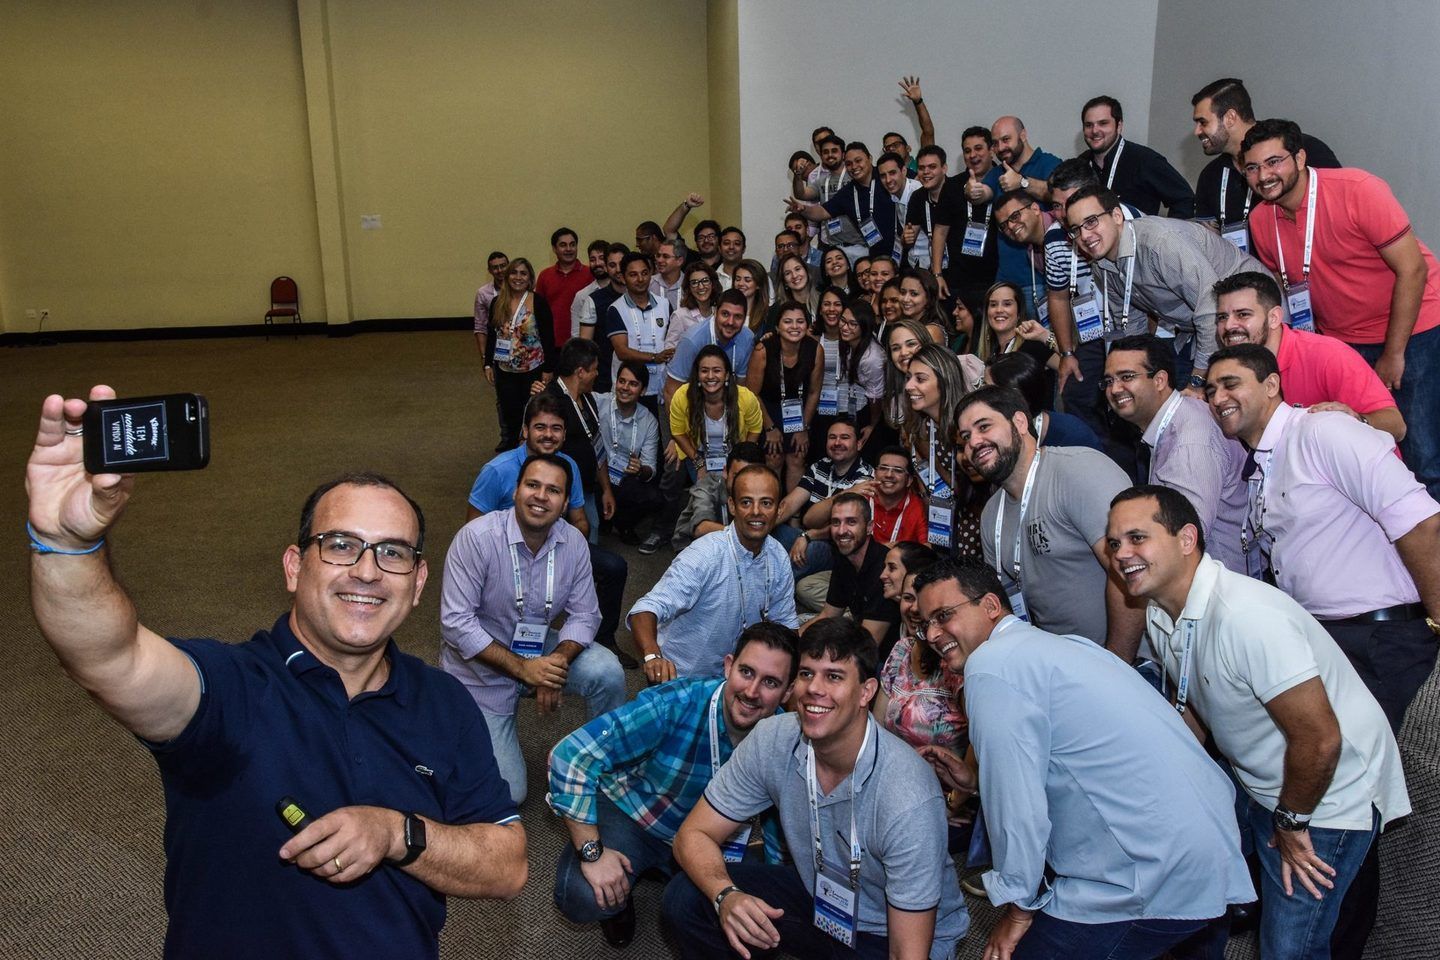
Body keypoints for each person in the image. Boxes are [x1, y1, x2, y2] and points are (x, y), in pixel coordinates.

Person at [27, 390, 529, 957]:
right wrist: (66, 543)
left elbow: (507, 866)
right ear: (295, 567)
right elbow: (105, 655)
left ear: (416, 584)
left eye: (392, 553)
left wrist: (396, 833)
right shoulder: (227, 688)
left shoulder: (444, 701)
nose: (367, 571)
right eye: (340, 545)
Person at [1108, 485, 1410, 960]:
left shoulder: (1247, 617)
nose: (1122, 554)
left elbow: (1320, 739)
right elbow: (1194, 705)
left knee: (1290, 949)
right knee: (1189, 883)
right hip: (1258, 779)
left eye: (1137, 538)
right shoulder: (1160, 612)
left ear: (1187, 539)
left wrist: (1289, 824)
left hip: (1326, 796)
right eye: (1114, 543)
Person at [913, 559, 1253, 960]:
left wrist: (1019, 908)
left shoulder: (992, 665)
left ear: (990, 605)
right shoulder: (1063, 647)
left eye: (943, 616)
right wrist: (974, 784)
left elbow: (1019, 811)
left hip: (1148, 867)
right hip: (1210, 846)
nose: (933, 634)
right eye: (924, 624)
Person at [663, 618, 970, 960]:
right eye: (807, 674)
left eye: (834, 676)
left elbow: (908, 954)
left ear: (866, 692)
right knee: (686, 897)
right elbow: (692, 835)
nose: (814, 688)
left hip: (888, 933)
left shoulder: (907, 795)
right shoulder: (773, 738)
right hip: (820, 901)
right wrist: (726, 896)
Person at [1203, 344, 1440, 731]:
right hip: (1330, 641)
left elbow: (1421, 523)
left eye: (1231, 384)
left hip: (1384, 641)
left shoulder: (1321, 431)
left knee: (1410, 777)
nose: (1218, 398)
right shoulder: (1263, 463)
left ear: (1271, 385)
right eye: (1211, 391)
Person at [547, 623, 798, 948]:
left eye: (770, 682)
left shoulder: (785, 739)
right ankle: (620, 899)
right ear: (728, 665)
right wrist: (593, 855)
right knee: (580, 894)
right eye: (746, 672)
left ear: (788, 692)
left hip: (712, 838)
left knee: (757, 905)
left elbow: (779, 815)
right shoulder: (675, 703)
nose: (751, 691)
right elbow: (569, 756)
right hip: (637, 817)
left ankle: (657, 874)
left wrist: (775, 878)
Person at [1241, 118, 1440, 500]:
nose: (1264, 175)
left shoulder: (1357, 189)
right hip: (1343, 344)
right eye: (1253, 167)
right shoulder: (1261, 220)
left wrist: (1393, 352)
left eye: (1274, 162)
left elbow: (1413, 269)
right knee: (1358, 454)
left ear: (1300, 158)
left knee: (1423, 455)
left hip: (1413, 333)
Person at [441, 454, 625, 807]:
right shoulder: (476, 538)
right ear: (515, 491)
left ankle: (597, 761)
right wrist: (525, 670)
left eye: (553, 490)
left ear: (565, 502)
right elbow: (456, 624)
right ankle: (448, 724)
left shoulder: (572, 543)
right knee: (509, 792)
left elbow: (585, 614)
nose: (541, 496)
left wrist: (554, 665)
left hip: (539, 653)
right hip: (480, 672)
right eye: (533, 485)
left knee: (607, 671)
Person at [957, 385, 1144, 656]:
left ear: (1020, 422)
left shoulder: (1078, 470)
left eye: (984, 427)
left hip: (1127, 660)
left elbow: (1130, 571)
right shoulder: (990, 515)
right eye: (965, 436)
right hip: (1059, 668)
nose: (973, 442)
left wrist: (1117, 662)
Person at [466, 394, 632, 672]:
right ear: (525, 430)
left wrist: (567, 553)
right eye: (540, 427)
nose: (548, 435)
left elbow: (580, 521)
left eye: (556, 428)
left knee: (614, 567)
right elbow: (472, 531)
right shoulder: (496, 471)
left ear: (564, 434)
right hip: (505, 554)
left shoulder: (568, 467)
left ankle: (601, 639)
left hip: (556, 544)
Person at [1065, 184, 1267, 388]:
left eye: (1091, 222)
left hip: (1252, 316)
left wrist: (1197, 382)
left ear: (1117, 216)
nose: (1084, 236)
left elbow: (1210, 308)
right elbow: (1132, 328)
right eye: (1075, 229)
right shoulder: (1102, 266)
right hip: (1200, 331)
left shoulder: (1160, 244)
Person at [629, 465, 799, 682]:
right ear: (732, 506)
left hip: (740, 682)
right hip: (682, 680)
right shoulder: (705, 554)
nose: (756, 511)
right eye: (746, 502)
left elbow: (786, 625)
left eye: (766, 503)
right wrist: (653, 657)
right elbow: (645, 610)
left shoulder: (778, 557)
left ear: (779, 509)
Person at [1102, 334, 1246, 572]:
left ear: (1159, 380)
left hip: (1224, 585)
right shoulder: (1177, 421)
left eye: (1126, 377)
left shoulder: (1189, 443)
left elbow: (1185, 540)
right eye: (1108, 381)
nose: (1115, 389)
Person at [1213, 272, 1405, 442]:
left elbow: (1397, 426)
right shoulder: (1224, 368)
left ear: (1274, 318)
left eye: (1243, 315)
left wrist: (1358, 419)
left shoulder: (1327, 355)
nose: (1229, 326)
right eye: (1222, 317)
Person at [1189, 78, 1340, 250]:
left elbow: (1338, 213)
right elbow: (1208, 245)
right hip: (1242, 273)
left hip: (1308, 267)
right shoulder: (1211, 175)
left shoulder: (1302, 149)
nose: (1197, 131)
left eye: (1203, 122)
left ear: (1230, 117)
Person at [874, 546, 966, 752]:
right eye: (908, 598)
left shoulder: (956, 661)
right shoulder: (901, 650)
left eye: (923, 600)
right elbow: (877, 729)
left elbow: (978, 752)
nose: (915, 609)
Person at [977, 116, 1062, 310]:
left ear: (1023, 135)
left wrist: (1022, 182)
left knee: (1045, 338)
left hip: (1042, 278)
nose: (1000, 148)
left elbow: (1059, 194)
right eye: (995, 143)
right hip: (1006, 279)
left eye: (1006, 140)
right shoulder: (997, 172)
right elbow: (982, 194)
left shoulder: (1048, 162)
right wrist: (972, 190)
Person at [801, 493, 901, 647]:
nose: (841, 531)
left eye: (851, 522)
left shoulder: (883, 570)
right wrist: (792, 641)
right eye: (836, 522)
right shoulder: (845, 558)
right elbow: (828, 615)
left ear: (869, 527)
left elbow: (867, 646)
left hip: (884, 657)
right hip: (860, 637)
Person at [901, 341, 970, 554]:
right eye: (909, 378)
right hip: (937, 523)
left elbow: (968, 491)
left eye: (920, 379)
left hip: (968, 527)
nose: (909, 386)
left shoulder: (966, 429)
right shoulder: (921, 426)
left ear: (944, 381)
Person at [544, 338, 615, 545]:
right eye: (594, 369)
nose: (597, 374)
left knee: (589, 534)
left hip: (586, 488)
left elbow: (597, 445)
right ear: (580, 372)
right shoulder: (551, 402)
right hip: (558, 492)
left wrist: (607, 489)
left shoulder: (588, 399)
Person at [747, 303, 823, 491]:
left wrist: (804, 427)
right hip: (768, 409)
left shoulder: (815, 349)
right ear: (777, 327)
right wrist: (770, 427)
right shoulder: (763, 349)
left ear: (807, 325)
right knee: (774, 458)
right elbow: (752, 393)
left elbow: (814, 392)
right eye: (788, 322)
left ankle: (794, 515)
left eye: (800, 321)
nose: (794, 327)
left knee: (797, 457)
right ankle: (772, 507)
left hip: (799, 411)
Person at [1079, 95, 1195, 218]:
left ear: (1119, 126)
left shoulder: (1145, 160)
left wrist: (1166, 233)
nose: (1095, 130)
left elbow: (1185, 199)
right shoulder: (1080, 165)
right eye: (1088, 125)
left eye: (1103, 123)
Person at [483, 257, 556, 450]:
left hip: (532, 368)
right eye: (514, 273)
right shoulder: (497, 302)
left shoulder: (538, 302)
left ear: (530, 278)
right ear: (507, 277)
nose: (518, 277)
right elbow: (492, 334)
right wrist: (488, 363)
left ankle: (532, 448)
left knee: (532, 410)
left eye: (523, 273)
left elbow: (548, 337)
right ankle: (511, 446)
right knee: (509, 411)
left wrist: (549, 368)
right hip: (504, 367)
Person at [669, 344, 764, 482]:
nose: (710, 376)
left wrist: (741, 459)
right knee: (704, 497)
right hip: (699, 454)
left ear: (726, 375)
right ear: (697, 375)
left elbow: (755, 429)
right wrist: (698, 463)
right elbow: (677, 432)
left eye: (717, 370)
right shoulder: (683, 396)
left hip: (733, 453)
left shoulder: (746, 398)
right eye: (704, 371)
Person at [789, 141, 899, 260]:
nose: (854, 166)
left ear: (870, 158)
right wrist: (803, 209)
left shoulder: (885, 177)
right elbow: (822, 212)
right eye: (849, 164)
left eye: (858, 161)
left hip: (901, 247)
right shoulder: (848, 192)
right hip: (877, 254)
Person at [596, 361, 662, 545]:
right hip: (598, 474)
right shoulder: (598, 402)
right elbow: (569, 396)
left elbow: (651, 468)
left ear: (642, 390)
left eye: (633, 384)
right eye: (622, 381)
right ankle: (603, 519)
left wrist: (641, 470)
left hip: (625, 478)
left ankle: (624, 524)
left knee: (654, 498)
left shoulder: (649, 420)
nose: (625, 388)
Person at [987, 350, 1101, 451]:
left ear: (1017, 398)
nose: (979, 396)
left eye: (988, 391)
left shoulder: (1073, 439)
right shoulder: (988, 436)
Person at [601, 252, 673, 412]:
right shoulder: (615, 309)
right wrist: (655, 357)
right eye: (633, 275)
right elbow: (622, 351)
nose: (640, 279)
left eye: (645, 273)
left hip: (661, 388)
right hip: (629, 389)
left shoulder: (664, 304)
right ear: (623, 277)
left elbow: (672, 343)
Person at [672, 442, 766, 552]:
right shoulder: (708, 486)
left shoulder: (762, 490)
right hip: (693, 546)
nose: (742, 483)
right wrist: (745, 534)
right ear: (726, 471)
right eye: (737, 476)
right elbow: (701, 528)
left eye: (749, 478)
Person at [792, 132, 865, 262]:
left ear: (843, 154)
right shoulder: (821, 181)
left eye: (834, 151)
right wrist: (798, 175)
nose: (830, 155)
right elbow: (801, 194)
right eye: (825, 152)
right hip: (833, 247)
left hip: (860, 245)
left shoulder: (855, 175)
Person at [668, 288, 756, 394]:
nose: (730, 322)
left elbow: (741, 388)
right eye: (725, 314)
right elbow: (671, 390)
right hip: (689, 399)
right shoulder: (692, 340)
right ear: (715, 312)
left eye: (738, 316)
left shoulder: (747, 338)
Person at [577, 242, 630, 393]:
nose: (618, 269)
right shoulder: (593, 300)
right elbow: (585, 346)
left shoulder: (643, 297)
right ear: (606, 267)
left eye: (622, 264)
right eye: (612, 265)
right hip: (604, 379)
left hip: (640, 376)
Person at [535, 227, 594, 347]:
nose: (568, 249)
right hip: (551, 343)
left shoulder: (590, 274)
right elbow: (538, 311)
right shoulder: (545, 276)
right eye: (563, 245)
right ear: (554, 249)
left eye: (572, 245)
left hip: (582, 344)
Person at [569, 240, 611, 342]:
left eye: (602, 258)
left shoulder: (624, 290)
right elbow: (576, 335)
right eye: (592, 259)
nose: (597, 263)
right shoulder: (582, 296)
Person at [732, 258, 771, 334]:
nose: (741, 283)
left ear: (758, 285)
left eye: (747, 280)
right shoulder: (725, 311)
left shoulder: (767, 316)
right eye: (737, 279)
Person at [650, 237, 687, 311]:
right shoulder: (649, 283)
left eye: (665, 256)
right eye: (658, 255)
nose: (659, 260)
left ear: (679, 261)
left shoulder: (688, 285)